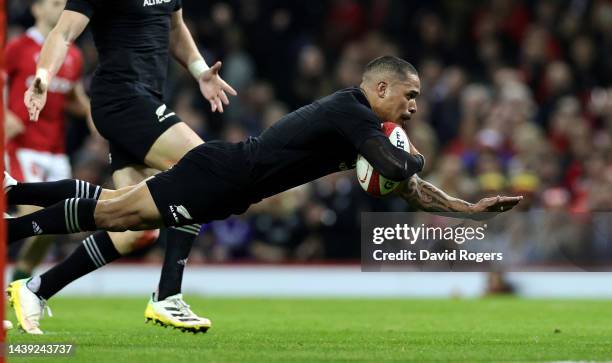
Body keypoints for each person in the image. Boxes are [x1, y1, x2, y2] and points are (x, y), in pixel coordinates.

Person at [6, 56, 522, 333]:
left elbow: (407, 188)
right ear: (381, 89)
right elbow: (399, 169)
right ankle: (17, 242)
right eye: (409, 97)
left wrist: (467, 209)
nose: (413, 108)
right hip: (220, 175)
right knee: (115, 214)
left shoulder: (362, 124)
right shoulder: (354, 113)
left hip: (228, 187)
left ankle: (23, 228)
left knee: (114, 212)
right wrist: (417, 158)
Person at [9, 0, 237, 334]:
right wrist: (43, 75)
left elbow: (175, 27)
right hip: (120, 99)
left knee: (136, 227)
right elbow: (63, 32)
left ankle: (34, 282)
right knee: (203, 168)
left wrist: (200, 70)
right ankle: (168, 295)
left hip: (148, 99)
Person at [4, 0, 93, 282]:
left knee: (58, 222)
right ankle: (19, 285)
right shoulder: (18, 47)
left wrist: (94, 113)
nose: (59, 8)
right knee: (35, 216)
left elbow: (72, 96)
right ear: (37, 10)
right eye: (53, 3)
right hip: (23, 147)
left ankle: (18, 283)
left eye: (62, 3)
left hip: (55, 150)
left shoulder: (72, 55)